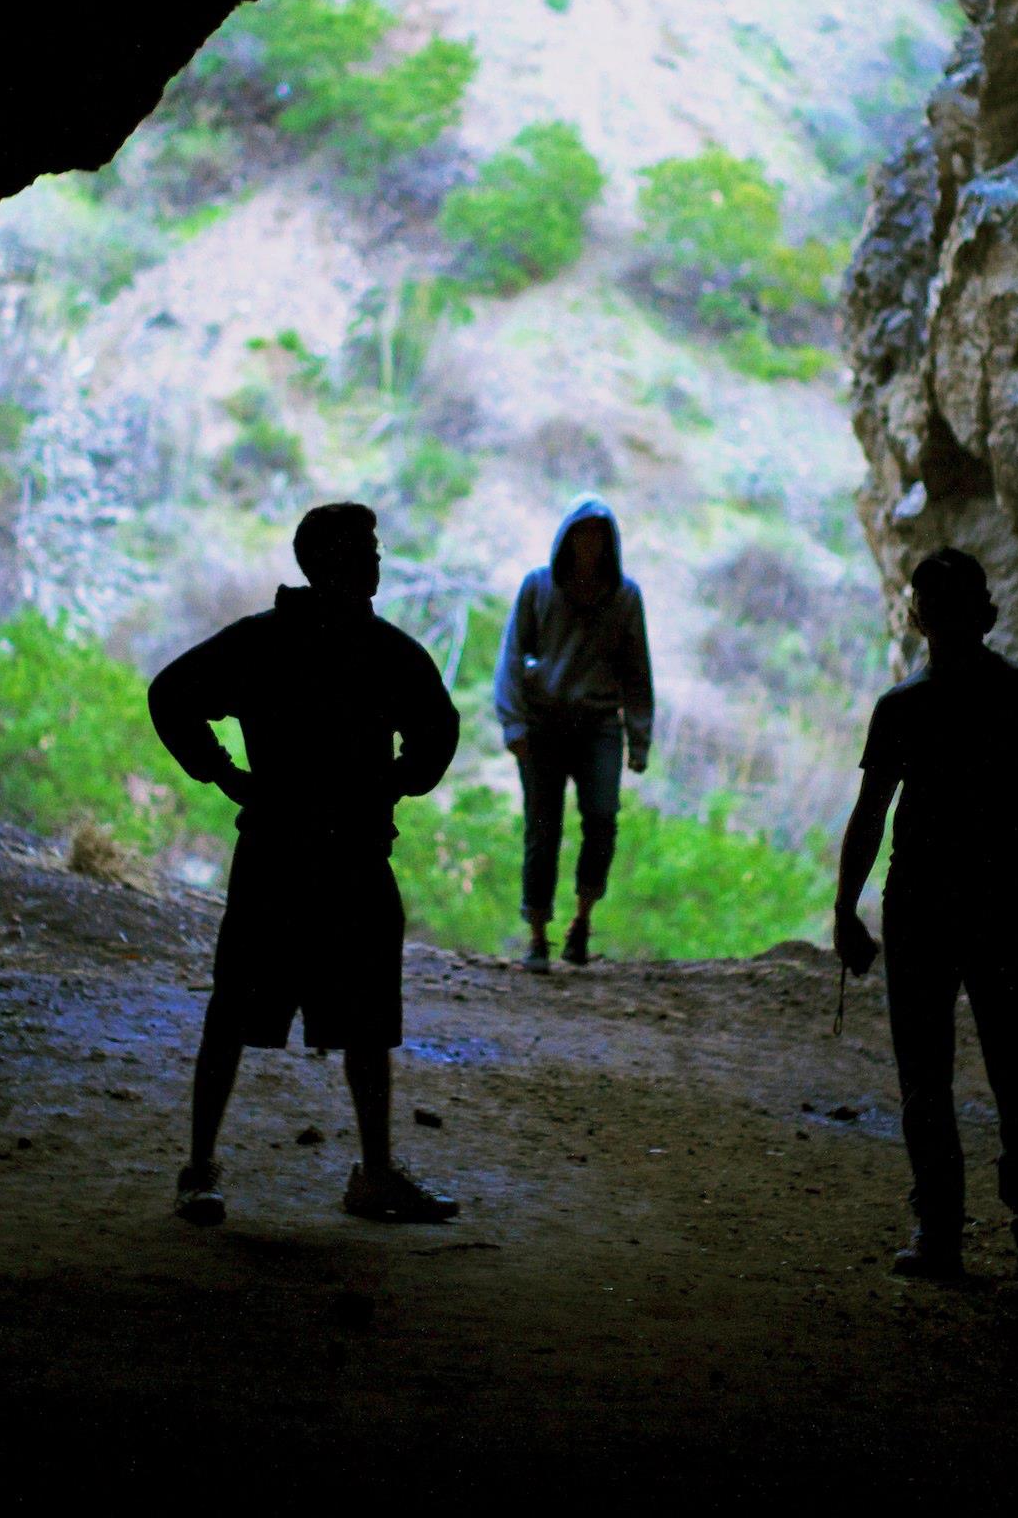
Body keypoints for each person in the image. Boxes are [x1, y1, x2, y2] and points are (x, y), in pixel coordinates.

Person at [148, 501, 461, 1227]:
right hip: (334, 856)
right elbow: (436, 735)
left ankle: (204, 1169)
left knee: (259, 1012)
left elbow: (172, 694)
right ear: (332, 561)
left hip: (283, 851)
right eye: (366, 548)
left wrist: (224, 774)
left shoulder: (267, 643)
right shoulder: (380, 651)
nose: (377, 562)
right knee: (354, 1020)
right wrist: (392, 782)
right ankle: (370, 1174)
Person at [833, 547, 1018, 1288]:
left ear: (913, 616)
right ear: (987, 613)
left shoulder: (903, 707)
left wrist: (846, 908)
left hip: (917, 910)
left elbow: (871, 816)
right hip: (997, 909)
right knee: (1017, 1071)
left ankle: (938, 1230)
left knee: (925, 1076)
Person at [494, 496, 654, 972]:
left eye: (598, 538)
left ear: (610, 546)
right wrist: (514, 722)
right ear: (567, 538)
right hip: (543, 725)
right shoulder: (537, 587)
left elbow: (637, 672)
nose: (589, 545)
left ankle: (581, 923)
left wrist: (639, 738)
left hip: (600, 726)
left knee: (601, 821)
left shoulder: (624, 598)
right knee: (542, 829)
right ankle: (537, 935)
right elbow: (510, 657)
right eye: (582, 535)